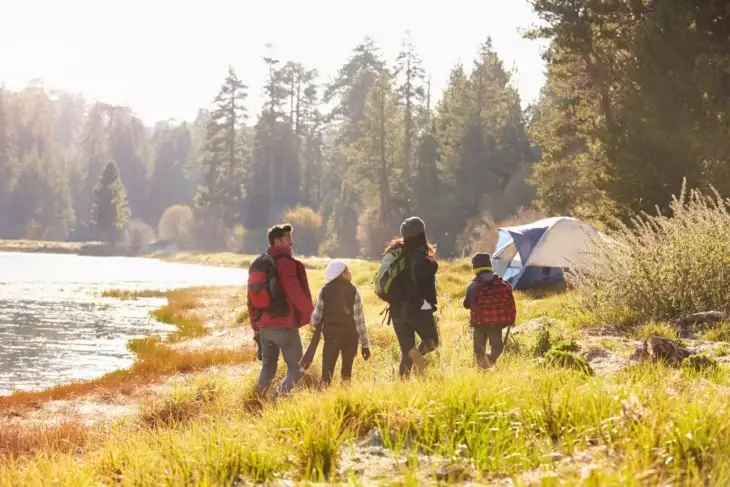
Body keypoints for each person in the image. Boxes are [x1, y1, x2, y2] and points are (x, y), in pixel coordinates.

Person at [248, 223, 314, 396]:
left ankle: (257, 401)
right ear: (277, 242)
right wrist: (313, 315)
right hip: (284, 325)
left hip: (264, 327)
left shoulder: (259, 263)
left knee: (267, 369)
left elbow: (250, 300)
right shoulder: (285, 264)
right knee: (298, 368)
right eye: (288, 239)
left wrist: (256, 326)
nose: (291, 243)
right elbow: (294, 291)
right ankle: (277, 399)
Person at [384, 216, 439, 377]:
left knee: (406, 355)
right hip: (417, 308)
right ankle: (418, 359)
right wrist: (433, 266)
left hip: (396, 311)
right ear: (421, 233)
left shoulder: (396, 253)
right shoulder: (419, 255)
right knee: (432, 342)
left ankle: (402, 388)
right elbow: (418, 279)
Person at [300, 260, 371, 385]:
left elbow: (316, 317)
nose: (350, 273)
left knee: (326, 374)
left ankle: (324, 397)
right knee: (346, 373)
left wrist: (314, 328)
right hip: (350, 337)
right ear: (341, 274)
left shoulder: (325, 290)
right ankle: (344, 398)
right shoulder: (354, 291)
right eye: (347, 270)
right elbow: (359, 322)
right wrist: (365, 345)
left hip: (331, 337)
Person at [462, 252, 516, 369]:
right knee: (497, 347)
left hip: (479, 323)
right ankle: (490, 360)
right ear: (490, 266)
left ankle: (482, 368)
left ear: (475, 268)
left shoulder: (473, 286)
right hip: (497, 323)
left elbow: (467, 304)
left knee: (478, 349)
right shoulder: (503, 284)